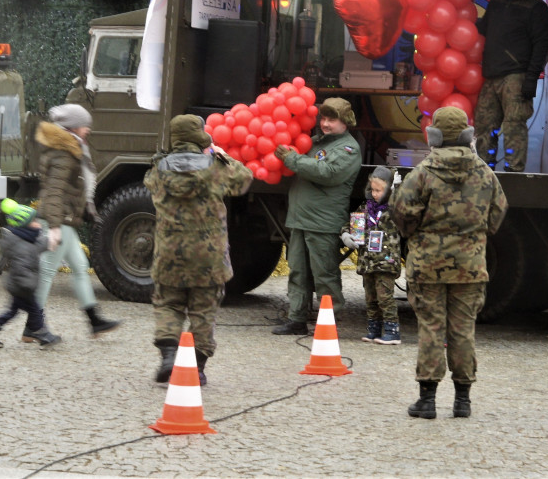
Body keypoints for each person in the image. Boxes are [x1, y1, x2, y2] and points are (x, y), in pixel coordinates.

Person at [390, 107, 508, 419]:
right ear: (468, 136)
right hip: (470, 267)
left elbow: (401, 213)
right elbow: (497, 213)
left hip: (427, 266)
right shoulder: (484, 173)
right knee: (463, 329)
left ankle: (427, 401)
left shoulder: (422, 173)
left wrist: (418, 234)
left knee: (431, 327)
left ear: (435, 137)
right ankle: (463, 401)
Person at [144, 114, 253, 385]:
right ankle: (197, 368)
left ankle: (169, 357)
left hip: (169, 254)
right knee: (203, 310)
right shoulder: (215, 167)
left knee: (168, 304)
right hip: (208, 256)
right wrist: (220, 154)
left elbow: (149, 185)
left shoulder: (158, 169)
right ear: (200, 135)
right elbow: (244, 179)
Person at [272, 97, 361, 335]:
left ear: (345, 122)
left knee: (325, 275)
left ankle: (327, 324)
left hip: (323, 222)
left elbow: (328, 172)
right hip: (301, 218)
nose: (325, 124)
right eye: (323, 118)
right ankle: (297, 319)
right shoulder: (315, 142)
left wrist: (292, 159)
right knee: (298, 272)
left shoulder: (348, 149)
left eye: (332, 120)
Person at [34, 103, 120, 337]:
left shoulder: (73, 148)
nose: (88, 129)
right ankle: (34, 325)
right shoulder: (64, 152)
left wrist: (86, 208)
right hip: (58, 219)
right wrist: (53, 227)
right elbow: (54, 190)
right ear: (72, 127)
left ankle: (94, 320)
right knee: (47, 270)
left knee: (80, 266)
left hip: (65, 219)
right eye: (84, 125)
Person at [474, 0, 548, 172]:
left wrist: (531, 79)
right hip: (491, 74)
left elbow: (543, 45)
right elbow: (484, 27)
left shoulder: (536, 8)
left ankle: (513, 175)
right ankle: (485, 173)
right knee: (484, 126)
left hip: (517, 76)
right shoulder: (496, 1)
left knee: (513, 127)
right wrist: (464, 20)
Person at [0, 198, 60, 348]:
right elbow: (22, 266)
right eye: (34, 221)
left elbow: (39, 245)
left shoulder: (26, 240)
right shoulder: (22, 245)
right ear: (25, 225)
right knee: (35, 310)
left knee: (12, 311)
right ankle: (42, 334)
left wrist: (53, 240)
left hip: (19, 285)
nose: (38, 223)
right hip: (22, 286)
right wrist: (27, 284)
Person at [340, 165, 403, 345]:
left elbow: (406, 209)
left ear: (388, 189)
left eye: (379, 190)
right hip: (367, 262)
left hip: (386, 262)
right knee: (370, 298)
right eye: (372, 190)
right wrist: (346, 235)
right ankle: (373, 329)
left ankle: (392, 331)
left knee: (385, 297)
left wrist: (398, 191)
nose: (375, 194)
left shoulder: (393, 209)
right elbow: (352, 225)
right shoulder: (366, 208)